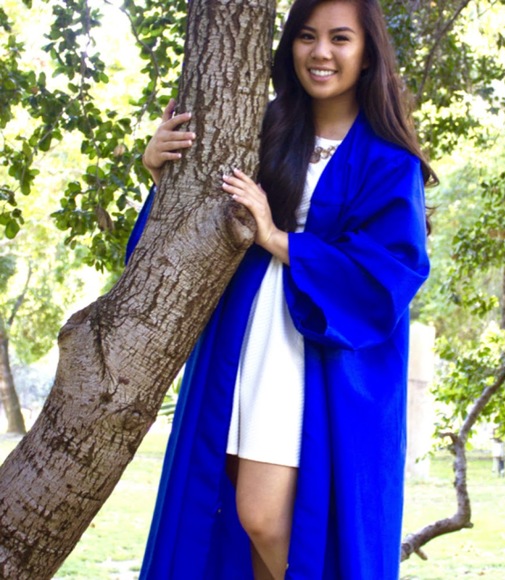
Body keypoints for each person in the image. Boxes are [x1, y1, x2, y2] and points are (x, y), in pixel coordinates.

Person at [126, 0, 436, 578]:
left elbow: (387, 274)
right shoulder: (261, 130)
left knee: (264, 517)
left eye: (340, 39)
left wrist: (277, 238)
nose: (321, 53)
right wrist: (161, 176)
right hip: (242, 340)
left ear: (367, 54)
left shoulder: (389, 162)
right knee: (231, 517)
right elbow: (188, 233)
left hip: (318, 353)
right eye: (306, 36)